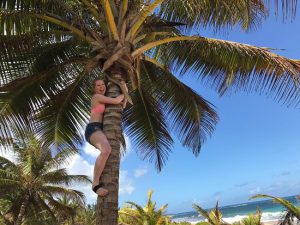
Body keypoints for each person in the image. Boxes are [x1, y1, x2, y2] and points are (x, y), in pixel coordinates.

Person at [85, 79, 124, 196]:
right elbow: (117, 100)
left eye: (103, 84)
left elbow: (122, 104)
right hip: (93, 128)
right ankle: (95, 184)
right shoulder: (96, 97)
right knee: (106, 150)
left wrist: (124, 91)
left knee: (106, 152)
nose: (101, 86)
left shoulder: (106, 98)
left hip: (100, 129)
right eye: (98, 85)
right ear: (95, 88)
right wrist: (124, 91)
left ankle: (97, 181)